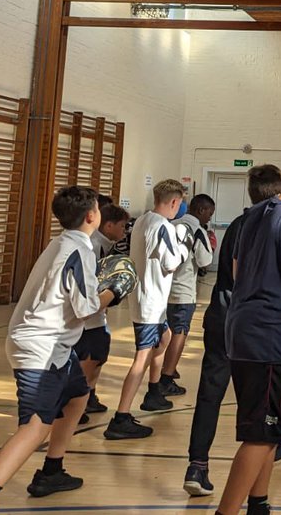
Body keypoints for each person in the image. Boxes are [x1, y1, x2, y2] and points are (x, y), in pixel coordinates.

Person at [0, 185, 124, 514]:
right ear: (91, 216)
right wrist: (115, 289)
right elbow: (86, 309)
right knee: (36, 426)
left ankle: (51, 472)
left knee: (78, 395)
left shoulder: (63, 242)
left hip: (53, 345)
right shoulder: (80, 251)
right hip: (41, 347)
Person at [213, 146, 281, 515]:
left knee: (270, 427)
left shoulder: (254, 213)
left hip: (241, 327)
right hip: (270, 334)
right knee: (260, 435)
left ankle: (258, 503)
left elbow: (236, 266)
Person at [184, 166, 281, 497]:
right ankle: (261, 452)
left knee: (210, 394)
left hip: (220, 315)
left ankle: (197, 466)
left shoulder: (240, 223)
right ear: (280, 190)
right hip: (247, 320)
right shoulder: (267, 224)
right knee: (255, 398)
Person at [104, 179, 190, 440]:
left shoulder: (142, 220)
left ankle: (153, 392)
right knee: (141, 358)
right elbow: (172, 263)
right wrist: (185, 246)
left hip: (148, 299)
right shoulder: (163, 226)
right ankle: (121, 416)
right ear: (175, 202)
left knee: (164, 339)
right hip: (150, 303)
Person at [75, 202, 130, 422]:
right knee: (90, 359)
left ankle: (89, 396)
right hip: (89, 319)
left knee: (98, 357)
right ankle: (76, 402)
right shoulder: (93, 246)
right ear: (108, 225)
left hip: (97, 315)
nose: (124, 231)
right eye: (122, 226)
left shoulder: (105, 244)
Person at [161, 194, 216, 395]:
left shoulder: (170, 224)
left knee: (165, 332)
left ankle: (167, 367)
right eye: (210, 213)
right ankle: (166, 377)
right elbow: (205, 262)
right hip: (183, 291)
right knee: (180, 332)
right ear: (201, 210)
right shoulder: (198, 230)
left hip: (163, 289)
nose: (210, 218)